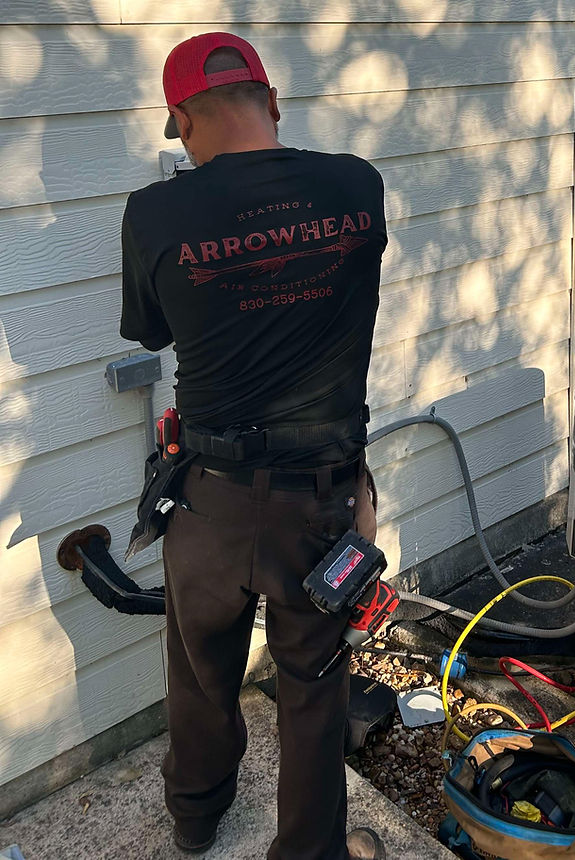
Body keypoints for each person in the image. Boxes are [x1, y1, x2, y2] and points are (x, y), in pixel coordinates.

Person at [119, 31, 388, 860]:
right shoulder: (356, 184)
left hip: (210, 497)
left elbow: (153, 331)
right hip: (323, 496)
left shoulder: (155, 212)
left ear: (183, 121)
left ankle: (196, 818)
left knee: (202, 673)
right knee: (313, 688)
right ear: (271, 102)